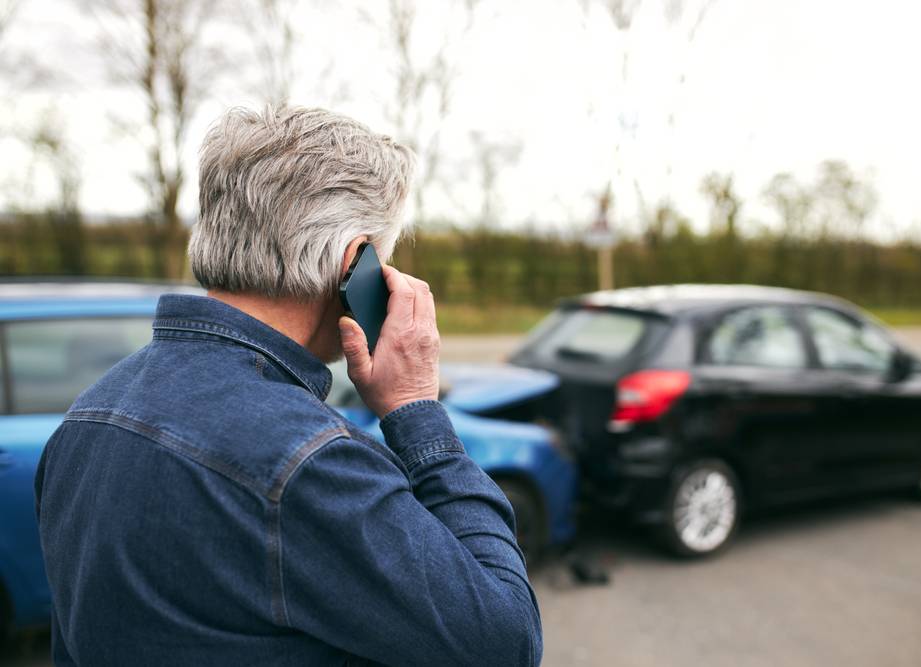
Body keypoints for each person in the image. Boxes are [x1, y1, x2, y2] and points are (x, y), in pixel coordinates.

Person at [34, 107, 542, 666]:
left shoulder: (87, 414)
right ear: (356, 264)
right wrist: (417, 409)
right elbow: (506, 642)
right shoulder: (309, 463)